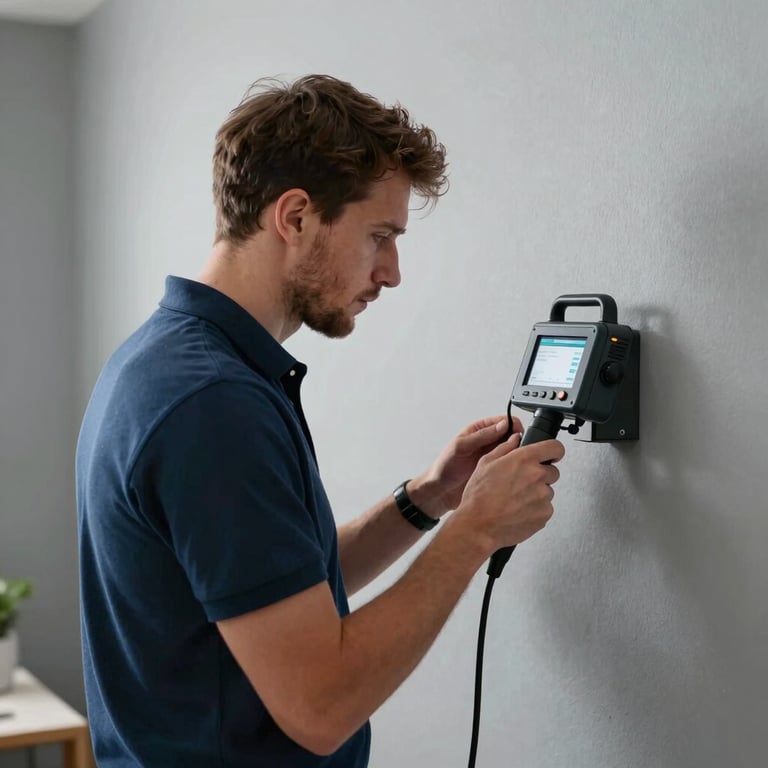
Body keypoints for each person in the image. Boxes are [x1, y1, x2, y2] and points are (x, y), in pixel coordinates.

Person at [76, 74, 564, 767]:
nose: (391, 272)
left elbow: (271, 585)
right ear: (296, 217)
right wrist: (476, 530)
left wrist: (427, 499)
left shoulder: (167, 363)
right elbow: (321, 707)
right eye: (380, 236)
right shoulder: (212, 406)